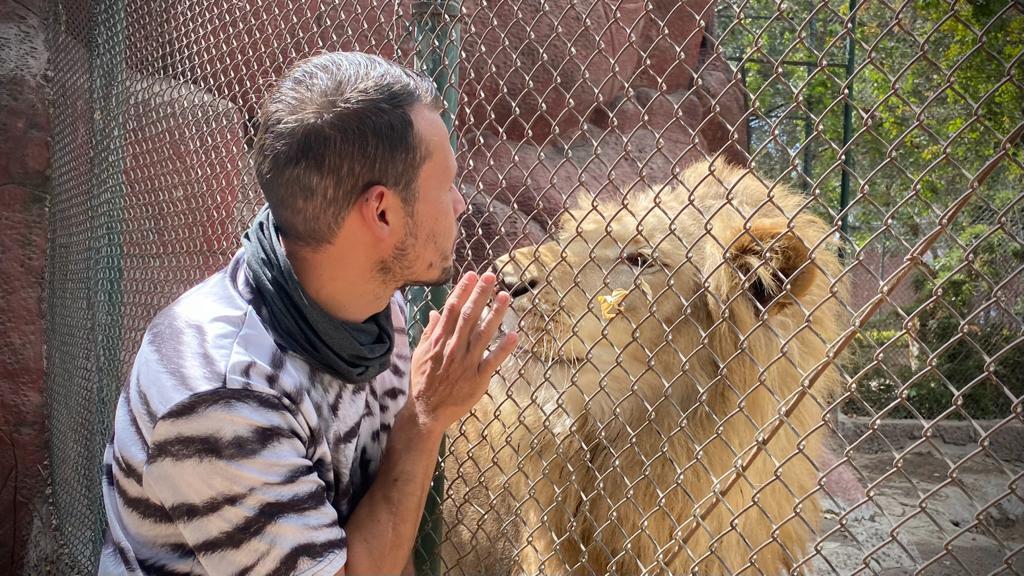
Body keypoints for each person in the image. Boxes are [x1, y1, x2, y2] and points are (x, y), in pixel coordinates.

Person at [98, 51, 518, 575]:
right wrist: (424, 417)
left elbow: (377, 513)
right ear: (382, 212)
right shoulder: (222, 399)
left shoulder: (370, 300)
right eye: (446, 184)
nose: (460, 204)